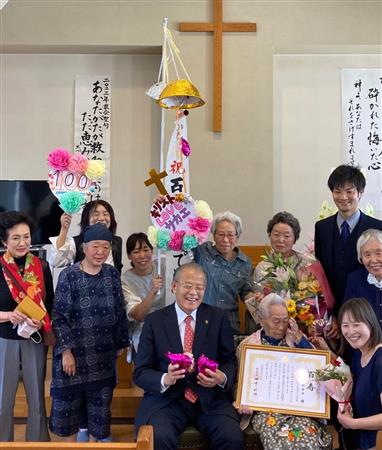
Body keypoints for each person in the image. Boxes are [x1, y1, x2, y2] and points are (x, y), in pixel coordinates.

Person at [134, 262, 244, 450]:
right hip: (167, 401)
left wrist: (221, 377)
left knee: (231, 438)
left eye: (199, 287)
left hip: (210, 398)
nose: (193, 292)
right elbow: (141, 372)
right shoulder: (155, 321)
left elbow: (229, 360)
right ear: (174, 286)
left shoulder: (218, 317)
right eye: (188, 285)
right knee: (158, 437)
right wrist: (165, 379)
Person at [49, 222, 129, 442]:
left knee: (98, 421)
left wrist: (122, 342)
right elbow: (59, 316)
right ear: (84, 248)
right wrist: (66, 351)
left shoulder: (112, 274)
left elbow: (120, 309)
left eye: (106, 246)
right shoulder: (69, 275)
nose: (101, 251)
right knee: (68, 424)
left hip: (103, 359)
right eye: (95, 246)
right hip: (72, 360)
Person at [236, 293, 332, 450]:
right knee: (281, 442)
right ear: (261, 319)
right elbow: (240, 385)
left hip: (300, 409)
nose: (281, 326)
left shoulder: (295, 338)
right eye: (276, 321)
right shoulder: (248, 346)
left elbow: (319, 369)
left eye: (285, 320)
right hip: (267, 412)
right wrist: (243, 401)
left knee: (309, 440)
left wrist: (302, 341)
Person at [0, 211, 54, 441]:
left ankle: (38, 443)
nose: (23, 243)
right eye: (15, 238)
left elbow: (50, 304)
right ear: (4, 241)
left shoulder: (41, 266)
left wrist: (42, 321)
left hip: (34, 339)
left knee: (37, 399)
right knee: (3, 398)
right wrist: (9, 315)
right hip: (4, 340)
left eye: (26, 236)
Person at [315, 164, 382, 337]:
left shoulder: (377, 227)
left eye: (349, 191)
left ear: (360, 192)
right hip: (332, 318)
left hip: (368, 314)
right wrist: (331, 316)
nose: (343, 197)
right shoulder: (322, 228)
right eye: (337, 191)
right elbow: (321, 275)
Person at [253, 211, 334, 334]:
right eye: (276, 234)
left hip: (305, 326)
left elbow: (322, 297)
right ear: (270, 235)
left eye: (287, 236)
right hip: (274, 329)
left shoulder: (308, 263)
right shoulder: (262, 268)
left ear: (295, 238)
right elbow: (258, 306)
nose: (281, 240)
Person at [192, 211, 254, 334]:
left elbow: (245, 292)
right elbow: (182, 238)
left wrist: (255, 298)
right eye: (220, 234)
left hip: (229, 323)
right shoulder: (202, 251)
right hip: (201, 319)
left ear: (237, 236)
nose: (225, 239)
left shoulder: (245, 262)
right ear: (213, 235)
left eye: (230, 235)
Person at [337, 298, 382, 450]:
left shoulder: (380, 360)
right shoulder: (359, 355)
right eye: (345, 326)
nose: (350, 331)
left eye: (356, 324)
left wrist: (353, 424)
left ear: (370, 323)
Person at [121, 232, 165, 361]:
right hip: (142, 332)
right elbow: (137, 315)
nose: (142, 256)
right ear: (129, 256)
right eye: (136, 252)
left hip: (167, 327)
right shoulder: (125, 280)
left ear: (152, 251)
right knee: (143, 375)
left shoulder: (163, 267)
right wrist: (153, 290)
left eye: (146, 250)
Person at [49, 199, 123, 274]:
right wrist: (64, 229)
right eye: (96, 214)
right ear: (86, 218)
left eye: (105, 214)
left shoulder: (117, 241)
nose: (101, 218)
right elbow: (56, 262)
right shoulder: (76, 242)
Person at [343, 229, 382, 329]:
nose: (373, 260)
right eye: (367, 255)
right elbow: (348, 317)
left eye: (379, 253)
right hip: (364, 342)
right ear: (361, 258)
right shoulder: (354, 280)